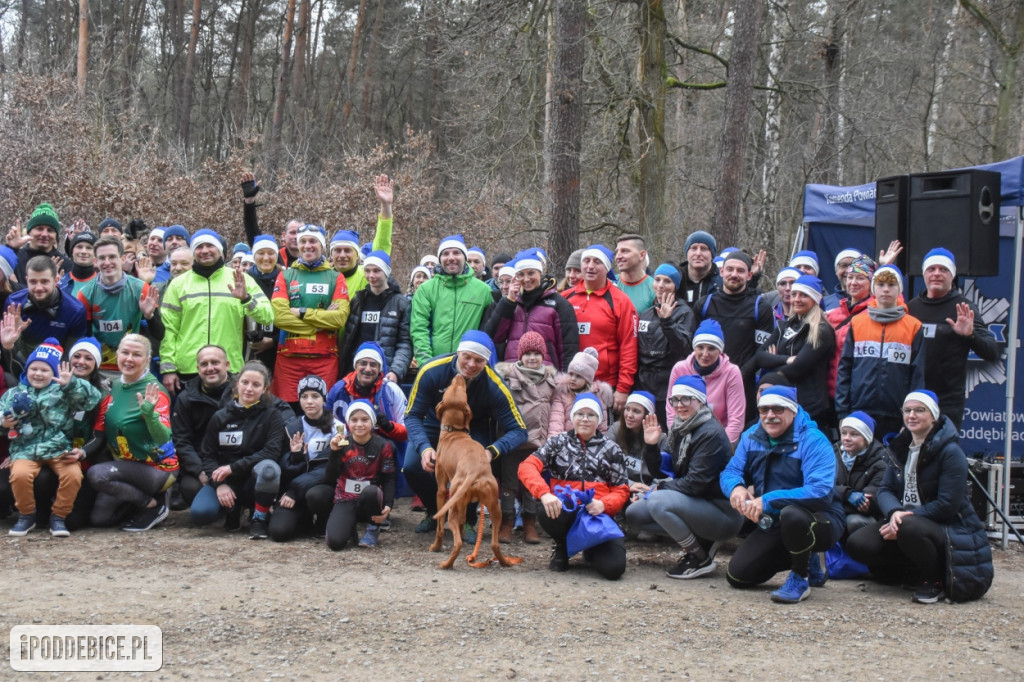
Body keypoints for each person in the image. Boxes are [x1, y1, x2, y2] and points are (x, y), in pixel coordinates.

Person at [846, 390, 993, 604]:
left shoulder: (950, 452)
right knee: (858, 543)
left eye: (919, 410)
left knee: (910, 527)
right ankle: (910, 573)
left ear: (933, 416)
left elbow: (947, 506)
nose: (912, 415)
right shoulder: (900, 447)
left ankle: (933, 580)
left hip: (949, 527)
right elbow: (885, 489)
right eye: (907, 410)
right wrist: (895, 512)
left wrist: (906, 518)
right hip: (907, 521)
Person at [719, 386, 845, 604]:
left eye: (778, 409)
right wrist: (736, 488)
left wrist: (767, 499)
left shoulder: (814, 440)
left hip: (820, 518)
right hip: (772, 521)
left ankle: (800, 577)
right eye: (764, 410)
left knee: (792, 515)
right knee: (737, 575)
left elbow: (820, 493)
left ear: (793, 411)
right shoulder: (750, 436)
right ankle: (807, 559)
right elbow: (730, 471)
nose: (770, 416)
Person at [404, 330, 527, 533]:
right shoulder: (431, 370)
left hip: (472, 429)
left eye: (479, 361)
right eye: (467, 357)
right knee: (412, 467)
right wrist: (424, 448)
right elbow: (411, 415)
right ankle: (435, 511)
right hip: (434, 424)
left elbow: (520, 430)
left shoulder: (494, 386)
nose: (471, 365)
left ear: (486, 362)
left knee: (474, 468)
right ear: (458, 353)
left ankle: (467, 517)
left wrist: (490, 452)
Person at [624, 376, 743, 579]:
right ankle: (700, 539)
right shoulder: (681, 427)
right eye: (675, 400)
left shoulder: (710, 433)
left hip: (722, 511)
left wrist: (657, 489)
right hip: (695, 503)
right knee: (635, 513)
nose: (679, 405)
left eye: (686, 399)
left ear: (700, 400)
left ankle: (699, 557)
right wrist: (651, 446)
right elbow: (662, 472)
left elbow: (695, 484)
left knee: (657, 501)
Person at [518, 392, 629, 579]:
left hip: (597, 515)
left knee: (614, 569)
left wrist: (604, 504)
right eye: (580, 414)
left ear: (599, 419)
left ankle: (591, 548)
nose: (585, 419)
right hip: (565, 510)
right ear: (572, 417)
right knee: (546, 509)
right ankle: (561, 546)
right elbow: (526, 466)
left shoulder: (612, 449)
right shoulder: (557, 442)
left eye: (591, 415)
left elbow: (622, 489)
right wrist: (544, 493)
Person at [1, 339, 102, 536]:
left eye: (45, 370)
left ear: (54, 373)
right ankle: (26, 515)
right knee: (19, 475)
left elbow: (92, 399)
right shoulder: (15, 392)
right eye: (34, 369)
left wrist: (70, 384)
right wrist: (3, 423)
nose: (38, 374)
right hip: (25, 448)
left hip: (59, 448)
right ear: (27, 370)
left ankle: (59, 517)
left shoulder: (63, 391)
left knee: (72, 475)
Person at [160, 229, 274, 395]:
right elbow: (168, 329)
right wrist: (168, 368)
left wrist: (246, 299)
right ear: (193, 252)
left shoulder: (242, 279)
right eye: (199, 247)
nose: (205, 250)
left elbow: (267, 315)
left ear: (220, 250)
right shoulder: (178, 285)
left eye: (210, 246)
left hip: (229, 368)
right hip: (189, 368)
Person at [87, 334, 177, 531]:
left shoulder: (154, 390)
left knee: (97, 475)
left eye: (136, 355)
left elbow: (163, 438)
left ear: (146, 360)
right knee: (100, 519)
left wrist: (149, 414)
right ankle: (139, 503)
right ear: (117, 354)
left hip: (156, 469)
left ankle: (154, 504)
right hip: (125, 467)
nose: (129, 359)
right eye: (125, 353)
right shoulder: (115, 386)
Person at [191, 360, 286, 539]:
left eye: (256, 384)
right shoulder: (220, 416)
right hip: (226, 480)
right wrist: (219, 484)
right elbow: (208, 455)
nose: (249, 388)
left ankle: (259, 518)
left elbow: (271, 452)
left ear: (265, 389)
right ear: (237, 384)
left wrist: (233, 467)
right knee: (200, 514)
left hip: (254, 479)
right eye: (245, 382)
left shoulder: (273, 416)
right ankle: (231, 510)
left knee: (269, 468)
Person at [907, 248, 1001, 428]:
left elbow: (992, 352)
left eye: (943, 269)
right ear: (924, 273)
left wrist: (970, 335)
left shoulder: (964, 309)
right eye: (931, 269)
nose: (937, 274)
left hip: (947, 402)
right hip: (913, 398)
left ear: (952, 275)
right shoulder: (911, 308)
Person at [836, 264, 924, 440]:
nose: (886, 290)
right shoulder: (857, 323)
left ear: (899, 289)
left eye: (891, 285)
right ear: (873, 288)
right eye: (881, 284)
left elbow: (917, 376)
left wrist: (911, 417)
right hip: (859, 411)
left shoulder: (914, 326)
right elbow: (844, 369)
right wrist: (842, 412)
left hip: (897, 414)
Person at [270, 224, 350, 405]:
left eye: (313, 241)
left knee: (323, 412)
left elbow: (339, 318)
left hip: (325, 357)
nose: (308, 246)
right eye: (303, 241)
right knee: (287, 413)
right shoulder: (286, 276)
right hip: (288, 358)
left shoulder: (336, 277)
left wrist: (301, 312)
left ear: (322, 245)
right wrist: (322, 321)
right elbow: (279, 317)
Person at [494, 331, 558, 544]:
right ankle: (507, 522)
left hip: (537, 442)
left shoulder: (551, 380)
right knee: (510, 483)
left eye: (537, 353)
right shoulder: (508, 377)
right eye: (528, 353)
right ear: (520, 355)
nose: (532, 358)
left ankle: (530, 522)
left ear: (543, 356)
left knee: (532, 482)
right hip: (513, 441)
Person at [694, 250, 775, 413]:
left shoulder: (761, 307)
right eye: (730, 269)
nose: (734, 274)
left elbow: (762, 351)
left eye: (740, 270)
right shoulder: (704, 304)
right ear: (722, 272)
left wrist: (736, 375)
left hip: (744, 385)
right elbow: (693, 346)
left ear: (750, 275)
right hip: (706, 382)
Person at [562, 244, 638, 413]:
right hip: (570, 383)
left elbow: (629, 347)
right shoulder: (566, 297)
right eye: (586, 261)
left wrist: (623, 388)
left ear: (607, 268)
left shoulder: (620, 302)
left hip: (603, 385)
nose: (590, 266)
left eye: (597, 262)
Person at [755, 275, 836, 429]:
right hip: (784, 401)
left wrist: (772, 362)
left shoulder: (821, 330)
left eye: (804, 295)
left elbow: (797, 368)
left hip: (810, 406)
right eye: (794, 294)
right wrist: (785, 359)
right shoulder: (785, 325)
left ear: (815, 299)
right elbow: (759, 356)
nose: (797, 299)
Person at [270, 375, 343, 542]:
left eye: (315, 396)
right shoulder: (291, 428)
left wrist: (295, 490)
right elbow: (284, 470)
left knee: (316, 495)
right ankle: (303, 519)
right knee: (279, 532)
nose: (309, 401)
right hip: (293, 488)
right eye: (304, 396)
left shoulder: (338, 428)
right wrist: (295, 457)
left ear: (324, 399)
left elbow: (332, 470)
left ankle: (324, 520)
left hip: (321, 489)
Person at [76, 237, 164, 374]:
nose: (107, 262)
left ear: (122, 259)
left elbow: (159, 334)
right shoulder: (86, 294)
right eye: (102, 258)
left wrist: (149, 315)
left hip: (132, 365)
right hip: (100, 367)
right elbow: (84, 336)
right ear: (95, 262)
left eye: (112, 257)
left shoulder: (140, 289)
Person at [484, 249, 580, 372]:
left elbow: (568, 348)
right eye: (521, 275)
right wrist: (509, 301)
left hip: (545, 377)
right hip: (514, 374)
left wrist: (564, 380)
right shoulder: (511, 303)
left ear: (541, 273)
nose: (526, 279)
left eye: (531, 273)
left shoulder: (559, 304)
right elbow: (493, 336)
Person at [323, 400, 397, 550]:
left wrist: (388, 505)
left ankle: (373, 529)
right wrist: (334, 452)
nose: (359, 424)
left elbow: (389, 478)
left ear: (373, 422)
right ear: (348, 422)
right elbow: (330, 477)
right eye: (354, 420)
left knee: (371, 491)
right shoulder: (342, 443)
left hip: (370, 499)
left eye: (365, 420)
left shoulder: (384, 446)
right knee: (335, 543)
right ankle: (350, 528)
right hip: (345, 498)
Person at [410, 234, 493, 366]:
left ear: (464, 257)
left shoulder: (484, 291)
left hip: (470, 367)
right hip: (435, 364)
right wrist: (426, 364)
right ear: (440, 258)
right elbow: (419, 329)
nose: (451, 258)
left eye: (456, 253)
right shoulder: (426, 290)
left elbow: (489, 331)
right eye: (445, 254)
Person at [170, 345, 236, 508]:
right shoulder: (186, 398)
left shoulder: (244, 390)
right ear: (198, 368)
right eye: (204, 364)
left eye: (215, 362)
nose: (210, 368)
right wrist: (200, 470)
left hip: (237, 462)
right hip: (203, 463)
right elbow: (181, 441)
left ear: (227, 365)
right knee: (191, 490)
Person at [2, 256, 87, 374]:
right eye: (33, 282)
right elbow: (9, 351)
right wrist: (18, 335)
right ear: (26, 280)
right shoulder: (13, 302)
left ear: (56, 280)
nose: (38, 287)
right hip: (22, 362)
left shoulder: (75, 310)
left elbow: (70, 355)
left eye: (44, 281)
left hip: (58, 366)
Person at [634, 263, 695, 429]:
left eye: (667, 281)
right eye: (658, 280)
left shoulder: (684, 312)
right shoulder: (647, 313)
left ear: (676, 286)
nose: (661, 285)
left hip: (668, 387)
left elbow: (684, 351)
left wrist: (667, 322)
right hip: (643, 385)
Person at [666, 319, 745, 445]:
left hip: (720, 440)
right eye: (700, 347)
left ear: (720, 351)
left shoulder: (731, 372)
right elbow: (671, 411)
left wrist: (719, 447)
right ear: (694, 347)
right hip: (684, 438)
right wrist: (679, 441)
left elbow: (736, 419)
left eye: (712, 348)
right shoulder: (680, 369)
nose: (705, 354)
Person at [338, 251, 412, 383]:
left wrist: (395, 371)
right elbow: (348, 339)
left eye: (377, 271)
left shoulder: (401, 304)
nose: (371, 275)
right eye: (367, 271)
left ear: (386, 272)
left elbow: (405, 343)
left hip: (385, 372)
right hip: (356, 372)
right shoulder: (358, 301)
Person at [325, 175, 395, 296]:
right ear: (331, 255)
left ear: (357, 255)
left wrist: (386, 206)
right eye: (337, 250)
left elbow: (382, 245)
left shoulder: (367, 275)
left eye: (347, 250)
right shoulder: (322, 276)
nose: (342, 255)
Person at [825, 255, 875, 398]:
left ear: (871, 282)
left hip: (858, 393)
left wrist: (886, 267)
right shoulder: (832, 315)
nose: (853, 282)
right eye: (850, 277)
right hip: (830, 392)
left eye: (860, 278)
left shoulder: (875, 314)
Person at [833, 411, 887, 537]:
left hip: (868, 517)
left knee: (855, 521)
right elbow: (821, 487)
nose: (846, 438)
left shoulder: (882, 461)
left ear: (866, 438)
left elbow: (870, 502)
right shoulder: (834, 452)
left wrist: (834, 499)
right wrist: (847, 494)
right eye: (844, 433)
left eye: (854, 434)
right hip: (838, 508)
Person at [604, 391, 667, 495]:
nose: (629, 415)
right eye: (627, 409)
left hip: (648, 490)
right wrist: (627, 484)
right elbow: (604, 462)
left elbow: (666, 474)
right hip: (619, 485)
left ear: (647, 416)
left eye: (636, 411)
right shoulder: (616, 429)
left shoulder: (660, 437)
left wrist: (648, 492)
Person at [549, 348, 614, 436]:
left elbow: (601, 427)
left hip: (589, 442)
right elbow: (556, 421)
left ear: (587, 380)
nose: (573, 379)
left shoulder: (597, 396)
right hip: (566, 441)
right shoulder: (562, 393)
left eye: (578, 376)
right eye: (571, 374)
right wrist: (555, 442)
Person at [245, 234, 282, 371]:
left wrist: (274, 341)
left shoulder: (286, 278)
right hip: (249, 350)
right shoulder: (244, 279)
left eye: (271, 253)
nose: (266, 258)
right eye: (260, 253)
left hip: (279, 349)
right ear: (254, 256)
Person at [13, 203, 70, 284]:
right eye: (39, 229)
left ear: (55, 236)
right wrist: (10, 248)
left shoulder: (65, 264)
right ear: (29, 232)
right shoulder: (14, 259)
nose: (44, 234)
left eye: (50, 230)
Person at [614, 233, 655, 312]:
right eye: (617, 252)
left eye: (625, 251)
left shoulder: (655, 288)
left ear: (642, 255)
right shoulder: (610, 284)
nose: (618, 257)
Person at [677, 231, 719, 308]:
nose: (698, 253)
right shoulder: (676, 280)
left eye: (703, 249)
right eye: (694, 248)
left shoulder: (721, 283)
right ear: (687, 253)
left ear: (712, 255)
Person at [63, 231, 98, 296]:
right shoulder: (61, 283)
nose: (83, 251)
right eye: (79, 247)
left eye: (89, 248)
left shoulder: (102, 284)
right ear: (72, 251)